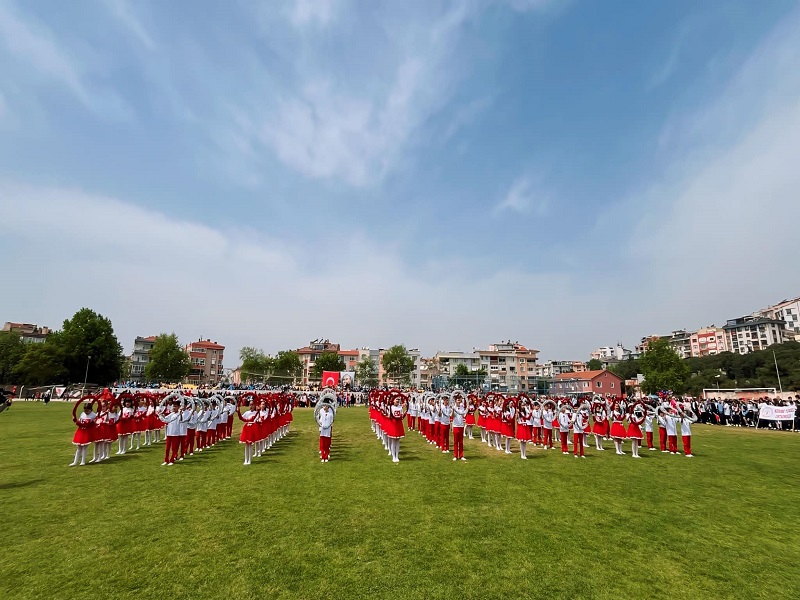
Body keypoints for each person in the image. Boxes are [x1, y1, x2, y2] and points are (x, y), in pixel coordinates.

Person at [70, 402, 96, 467]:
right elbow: (80, 421)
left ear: (91, 409)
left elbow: (88, 424)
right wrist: (76, 420)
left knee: (84, 447)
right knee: (79, 447)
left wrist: (77, 422)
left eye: (88, 410)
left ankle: (83, 461)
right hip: (81, 431)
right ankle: (75, 461)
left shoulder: (93, 415)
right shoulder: (82, 413)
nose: (86, 412)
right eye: (85, 410)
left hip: (87, 432)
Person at [159, 401, 182, 466]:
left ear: (178, 407)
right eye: (173, 406)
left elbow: (181, 420)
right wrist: (160, 415)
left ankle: (172, 460)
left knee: (174, 448)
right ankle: (166, 460)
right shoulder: (171, 414)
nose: (174, 407)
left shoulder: (179, 414)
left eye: (175, 406)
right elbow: (165, 420)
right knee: (167, 448)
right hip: (169, 433)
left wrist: (180, 413)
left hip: (175, 434)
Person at [452, 396, 467, 461]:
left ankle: (461, 455)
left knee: (461, 442)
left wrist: (467, 410)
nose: (459, 401)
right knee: (455, 441)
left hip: (461, 425)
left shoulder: (462, 407)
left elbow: (463, 415)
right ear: (455, 401)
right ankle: (455, 455)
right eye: (457, 400)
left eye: (459, 400)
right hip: (455, 425)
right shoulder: (453, 407)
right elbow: (452, 416)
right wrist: (453, 410)